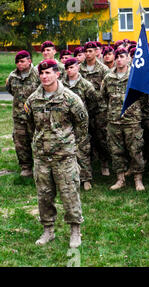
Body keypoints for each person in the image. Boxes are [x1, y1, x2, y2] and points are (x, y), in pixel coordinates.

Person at [25, 59, 89, 248]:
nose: (44, 77)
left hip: (64, 156)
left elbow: (82, 124)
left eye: (48, 73)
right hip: (42, 156)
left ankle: (75, 231)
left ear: (57, 74)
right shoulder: (33, 99)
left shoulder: (70, 98)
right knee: (44, 195)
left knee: (69, 194)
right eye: (42, 73)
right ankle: (48, 230)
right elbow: (30, 124)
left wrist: (68, 142)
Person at [100, 48, 146, 191]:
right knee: (116, 151)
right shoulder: (108, 77)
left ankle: (138, 179)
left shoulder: (135, 76)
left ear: (128, 59)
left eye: (122, 57)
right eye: (117, 57)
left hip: (132, 120)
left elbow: (143, 97)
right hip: (114, 120)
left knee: (135, 150)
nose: (119, 59)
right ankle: (120, 179)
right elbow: (104, 96)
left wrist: (134, 110)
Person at [62, 58, 98, 191]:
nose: (70, 70)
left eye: (72, 67)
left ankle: (86, 179)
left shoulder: (85, 85)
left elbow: (94, 102)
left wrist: (85, 114)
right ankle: (68, 178)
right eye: (68, 68)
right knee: (65, 149)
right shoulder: (61, 84)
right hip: (65, 121)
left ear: (78, 67)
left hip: (81, 122)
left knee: (83, 150)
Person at [6, 50, 40, 177]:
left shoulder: (37, 74)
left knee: (38, 141)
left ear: (29, 61)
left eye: (22, 61)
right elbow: (10, 90)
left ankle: (40, 166)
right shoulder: (12, 76)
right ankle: (26, 167)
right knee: (20, 142)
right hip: (18, 116)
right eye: (17, 62)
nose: (19, 64)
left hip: (35, 116)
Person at [79, 41, 111, 176]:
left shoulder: (103, 69)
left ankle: (104, 163)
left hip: (100, 109)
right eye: (86, 51)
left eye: (90, 51)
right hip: (83, 108)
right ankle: (88, 165)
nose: (88, 54)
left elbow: (109, 88)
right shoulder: (79, 68)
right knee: (85, 137)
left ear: (96, 52)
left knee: (101, 137)